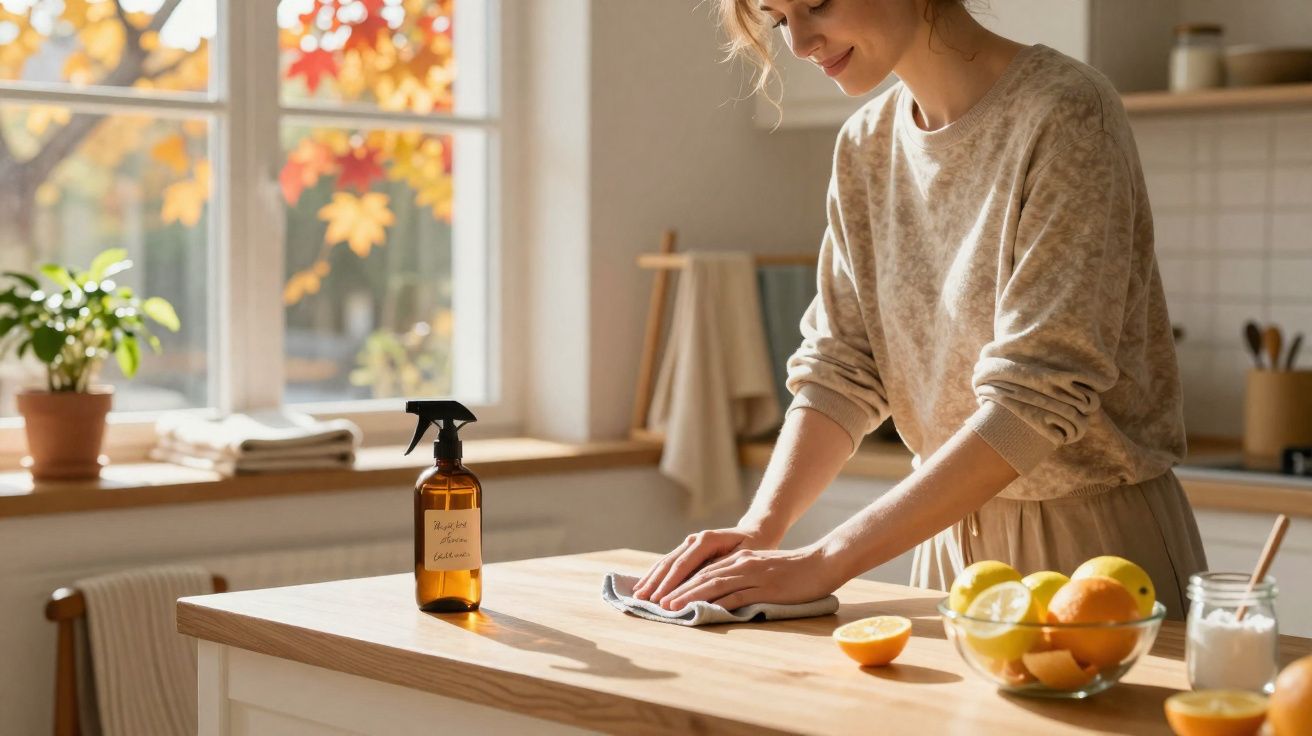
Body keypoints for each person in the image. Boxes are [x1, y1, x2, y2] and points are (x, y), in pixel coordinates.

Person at [633, 0, 1207, 619]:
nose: (797, 44)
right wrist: (759, 527)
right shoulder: (865, 144)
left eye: (816, 3)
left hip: (1093, 557)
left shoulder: (1066, 111)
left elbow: (1034, 401)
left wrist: (824, 560)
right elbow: (841, 368)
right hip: (945, 552)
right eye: (779, 19)